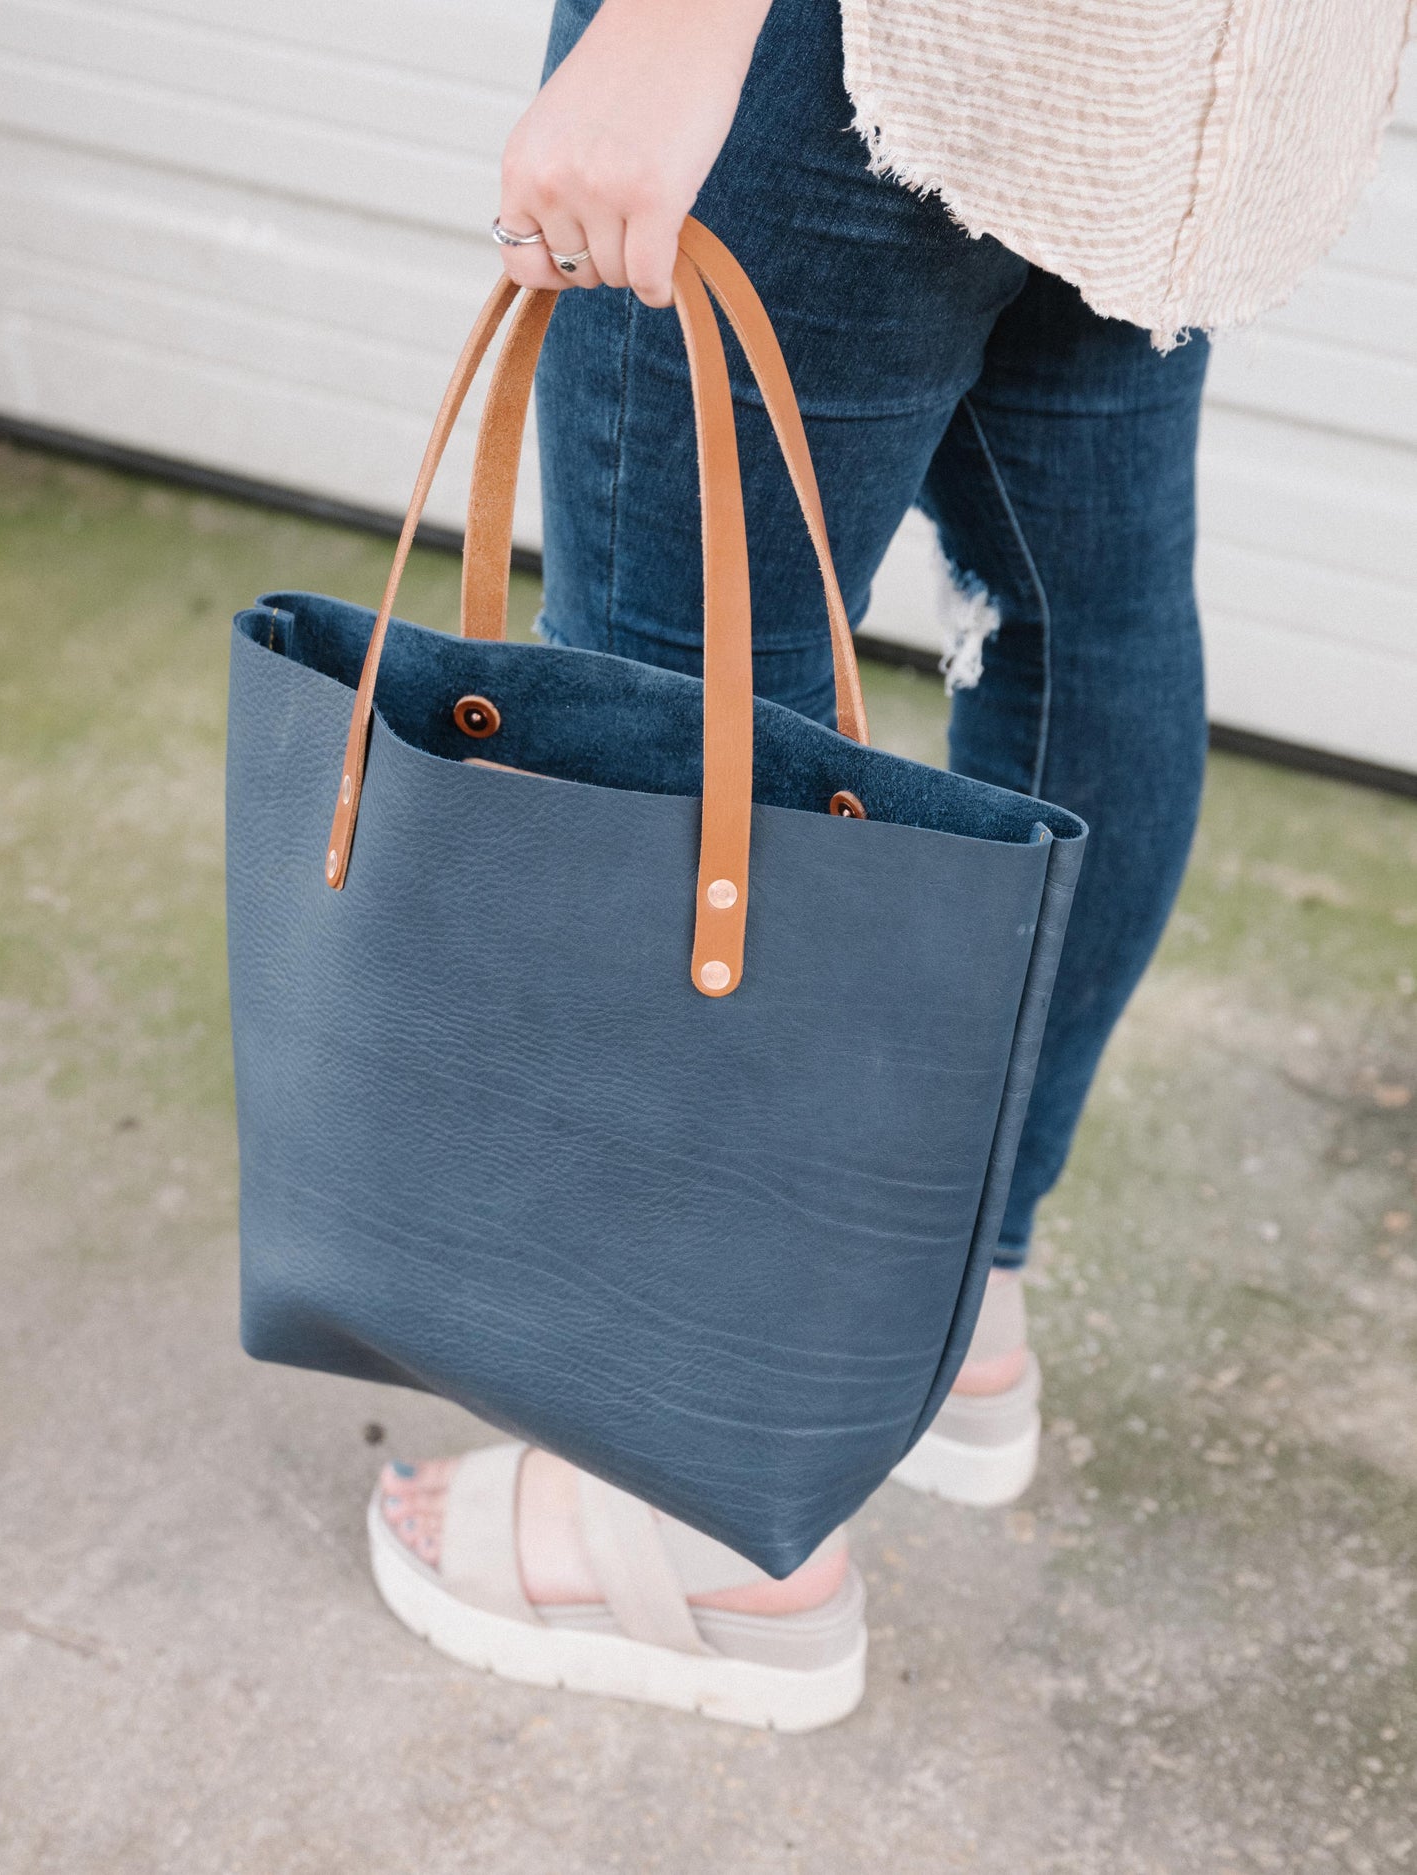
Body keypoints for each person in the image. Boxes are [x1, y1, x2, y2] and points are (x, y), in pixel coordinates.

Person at [371, 0, 1412, 1727]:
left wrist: (670, 29)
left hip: (848, 33)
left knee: (669, 664)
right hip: (1169, 53)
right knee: (1083, 628)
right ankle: (955, 1313)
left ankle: (691, 1498)